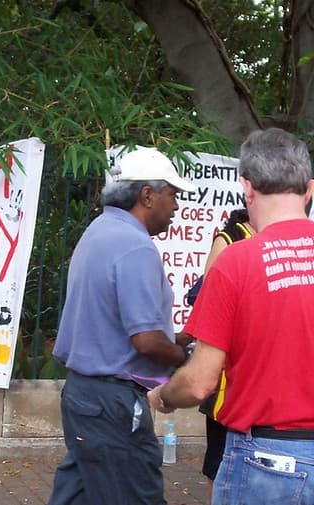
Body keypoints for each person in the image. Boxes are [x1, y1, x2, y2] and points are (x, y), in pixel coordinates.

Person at [148, 127, 314, 505]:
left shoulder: (236, 260)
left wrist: (164, 396)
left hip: (266, 461)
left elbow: (199, 383)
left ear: (247, 189)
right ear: (309, 190)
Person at [48, 147, 196, 505]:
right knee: (136, 495)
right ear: (147, 195)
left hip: (84, 396)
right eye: (172, 195)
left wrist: (177, 338)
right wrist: (185, 357)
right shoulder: (135, 246)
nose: (176, 206)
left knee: (79, 494)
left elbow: (109, 323)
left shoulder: (99, 230)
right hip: (113, 403)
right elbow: (146, 341)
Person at [192, 208, 255, 498]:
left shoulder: (288, 241)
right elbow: (210, 303)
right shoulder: (230, 239)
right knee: (220, 460)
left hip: (266, 374)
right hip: (229, 374)